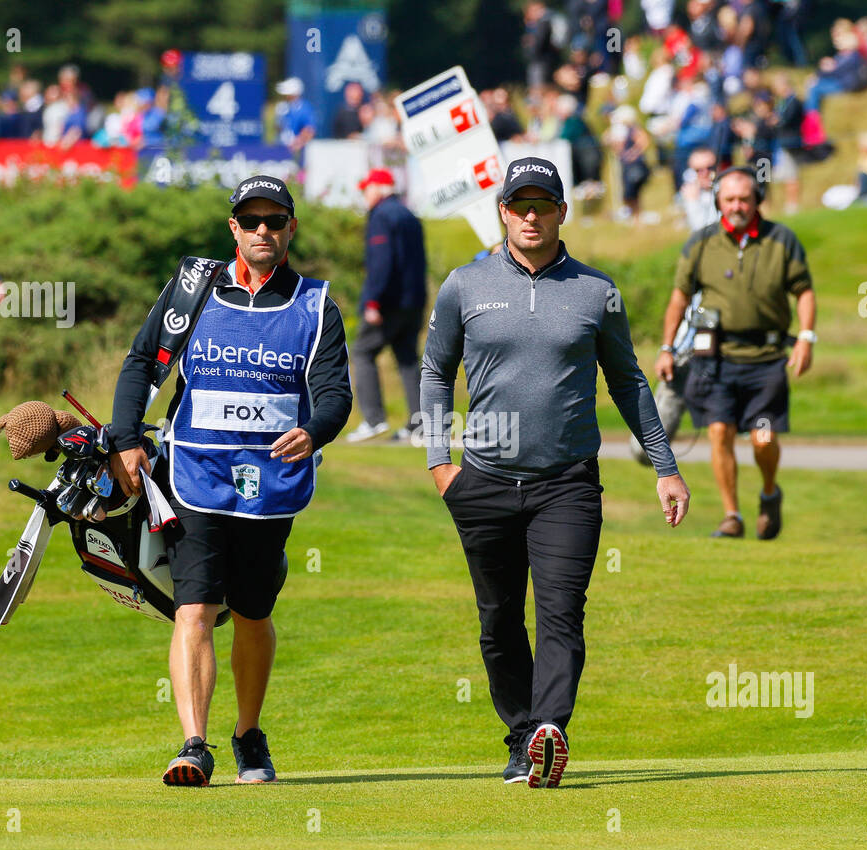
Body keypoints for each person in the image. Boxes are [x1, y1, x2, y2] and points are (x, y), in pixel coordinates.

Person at [421, 158, 691, 788]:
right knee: (498, 620)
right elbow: (435, 371)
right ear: (503, 213)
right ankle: (521, 739)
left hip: (567, 482)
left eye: (544, 204)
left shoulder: (597, 292)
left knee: (562, 611)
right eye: (520, 205)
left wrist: (665, 466)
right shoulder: (464, 284)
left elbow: (628, 380)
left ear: (564, 212)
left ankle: (550, 730)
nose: (532, 215)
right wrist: (440, 463)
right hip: (482, 480)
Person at [109, 176, 352, 786]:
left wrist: (316, 430)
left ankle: (248, 734)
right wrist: (126, 438)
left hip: (272, 484)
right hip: (194, 475)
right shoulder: (193, 289)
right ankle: (194, 744)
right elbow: (141, 362)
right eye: (252, 221)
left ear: (291, 228)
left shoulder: (316, 303)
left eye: (276, 221)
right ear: (233, 230)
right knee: (194, 606)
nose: (263, 231)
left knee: (252, 611)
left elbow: (334, 394)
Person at [654, 166, 815, 540]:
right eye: (729, 199)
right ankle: (732, 516)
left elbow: (804, 291)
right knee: (719, 432)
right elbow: (679, 296)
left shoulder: (782, 240)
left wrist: (806, 337)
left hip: (766, 358)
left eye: (744, 198)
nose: (737, 206)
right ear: (718, 202)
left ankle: (770, 492)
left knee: (763, 439)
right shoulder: (701, 243)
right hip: (715, 358)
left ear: (757, 199)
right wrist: (665, 348)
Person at [347, 168, 427, 443]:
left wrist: (372, 300)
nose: (364, 194)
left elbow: (382, 262)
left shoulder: (382, 215)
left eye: (367, 188)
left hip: (388, 302)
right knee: (406, 360)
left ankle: (373, 419)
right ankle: (420, 424)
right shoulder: (408, 214)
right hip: (413, 300)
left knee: (362, 353)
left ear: (380, 188)